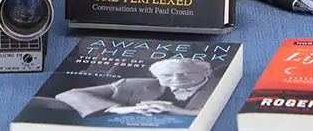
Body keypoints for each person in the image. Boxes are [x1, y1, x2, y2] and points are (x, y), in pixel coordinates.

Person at [55, 58, 218, 117]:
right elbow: (70, 95)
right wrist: (118, 109)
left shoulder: (219, 85)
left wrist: (180, 111)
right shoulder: (131, 84)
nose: (176, 80)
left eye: (185, 74)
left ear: (207, 72)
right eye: (167, 76)